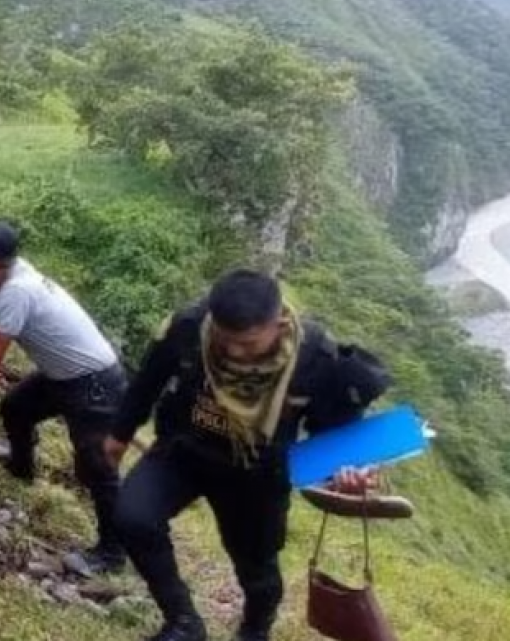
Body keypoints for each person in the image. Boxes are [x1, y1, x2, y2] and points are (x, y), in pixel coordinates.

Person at [108, 269, 391, 641]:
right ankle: (183, 621)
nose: (233, 351)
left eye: (248, 343)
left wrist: (344, 472)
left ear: (277, 322)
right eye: (225, 340)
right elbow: (148, 380)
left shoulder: (315, 358)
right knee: (133, 519)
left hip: (256, 476)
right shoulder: (191, 326)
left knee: (257, 571)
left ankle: (255, 629)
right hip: (183, 452)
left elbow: (332, 435)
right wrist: (119, 433)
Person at [0, 220, 129, 575]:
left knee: (98, 466)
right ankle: (21, 465)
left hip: (94, 382)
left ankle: (112, 553)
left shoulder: (18, 291)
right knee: (15, 408)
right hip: (60, 375)